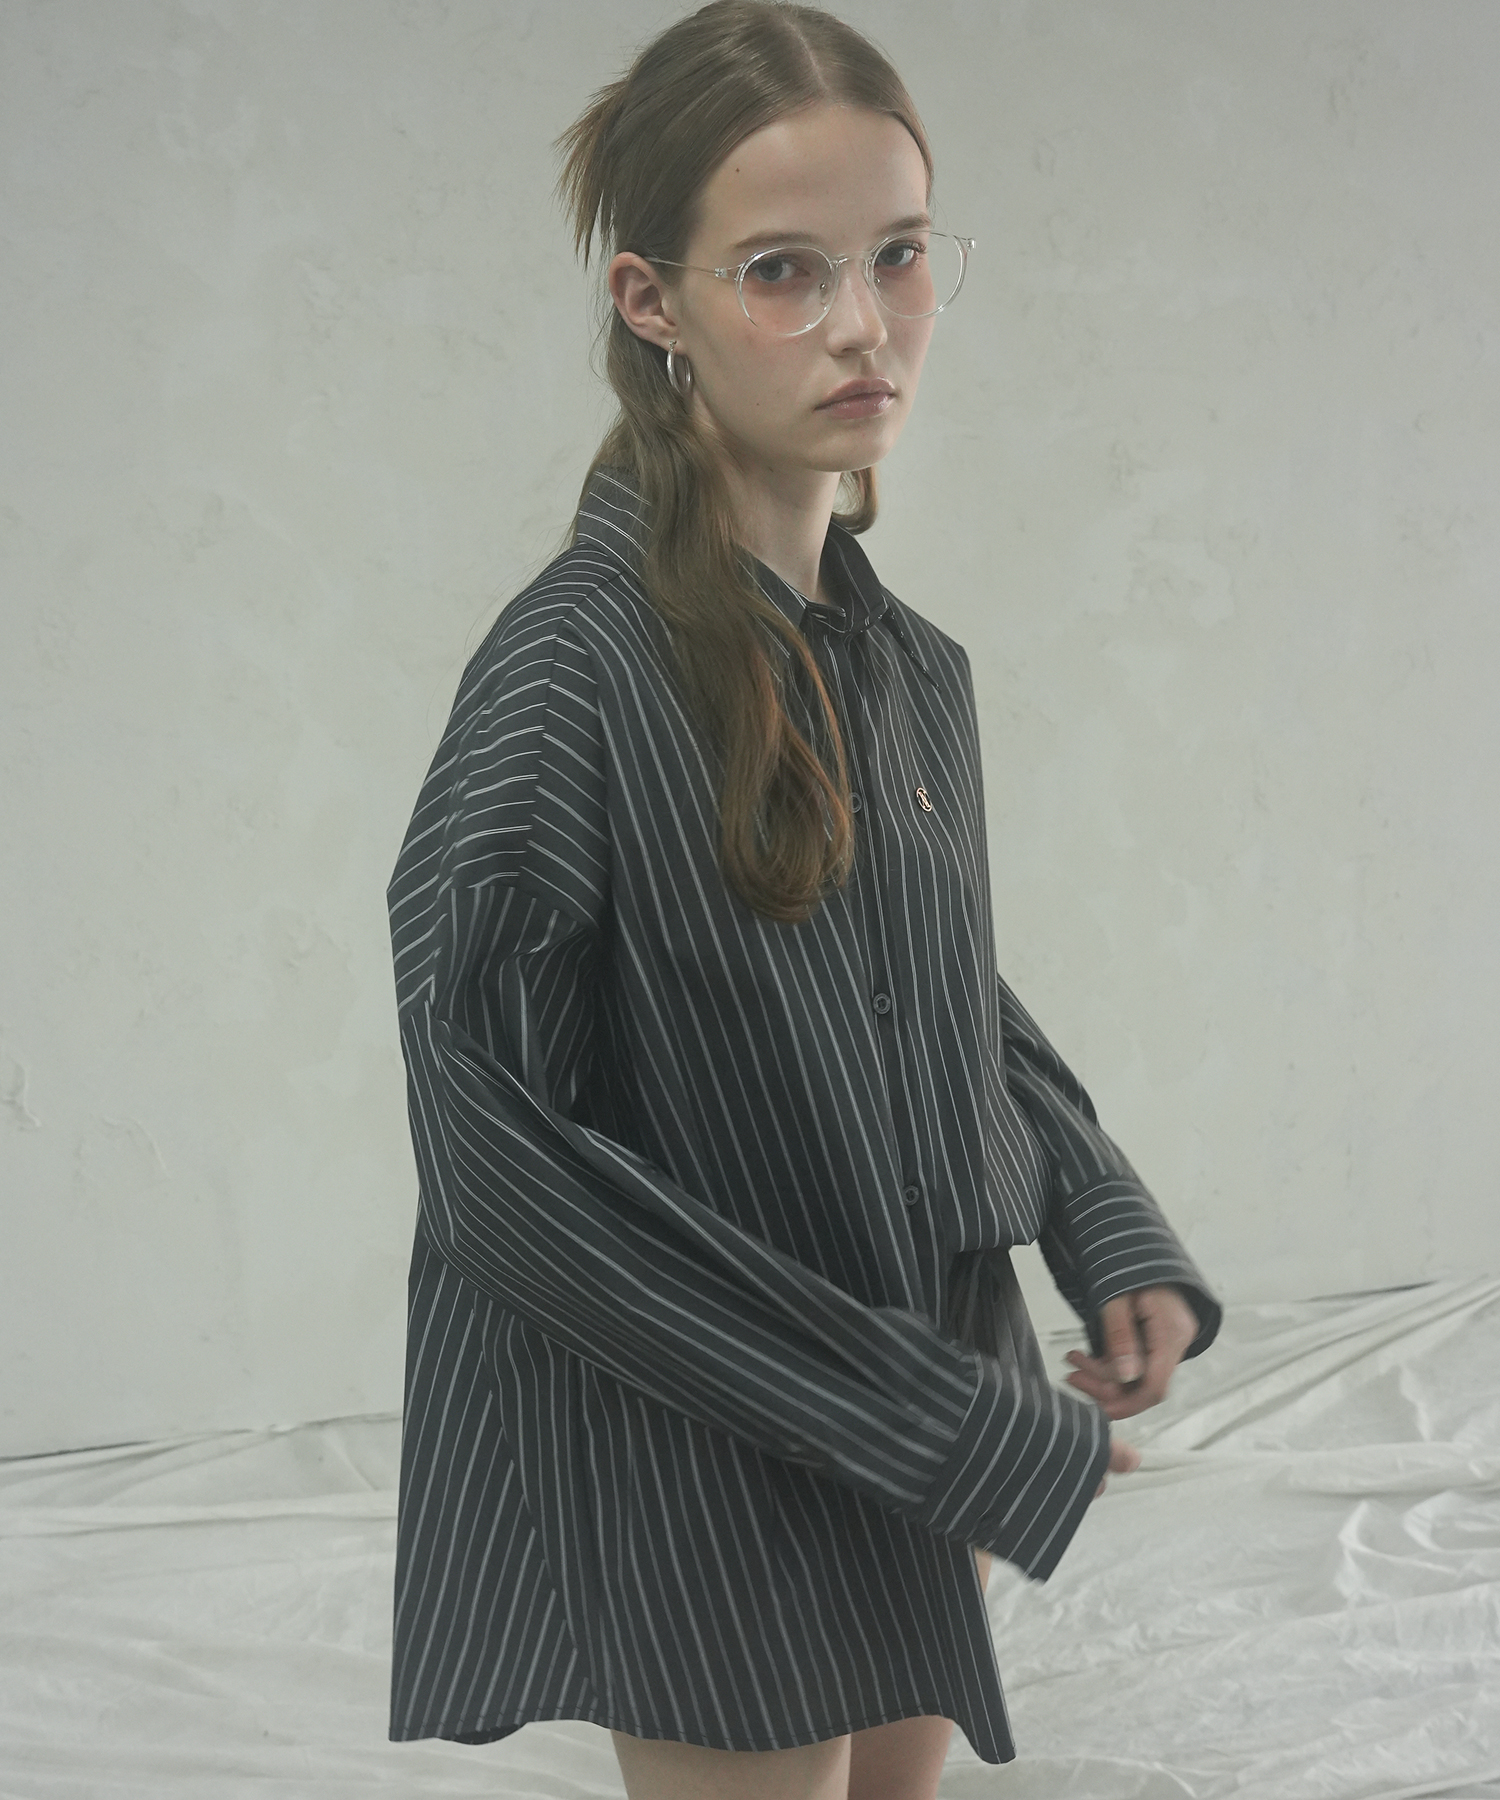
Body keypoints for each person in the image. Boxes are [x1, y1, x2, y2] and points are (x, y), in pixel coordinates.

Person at [384, 4, 1222, 1797]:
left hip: (923, 1385)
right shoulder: (571, 675)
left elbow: (941, 990)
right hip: (713, 1439)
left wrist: (1102, 1214)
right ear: (651, 301)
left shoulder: (908, 667)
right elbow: (492, 1158)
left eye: (899, 255)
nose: (864, 324)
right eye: (783, 269)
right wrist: (925, 1417)